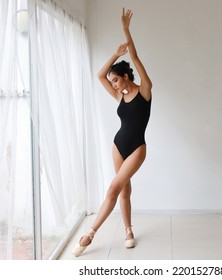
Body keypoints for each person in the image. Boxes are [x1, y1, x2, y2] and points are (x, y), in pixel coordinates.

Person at [72, 8, 152, 257]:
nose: (114, 84)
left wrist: (126, 30)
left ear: (127, 77)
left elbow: (136, 58)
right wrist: (115, 55)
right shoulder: (120, 95)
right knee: (124, 190)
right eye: (113, 81)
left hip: (137, 148)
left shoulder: (145, 90)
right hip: (118, 146)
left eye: (116, 80)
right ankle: (128, 230)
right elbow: (99, 75)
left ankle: (89, 234)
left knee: (112, 190)